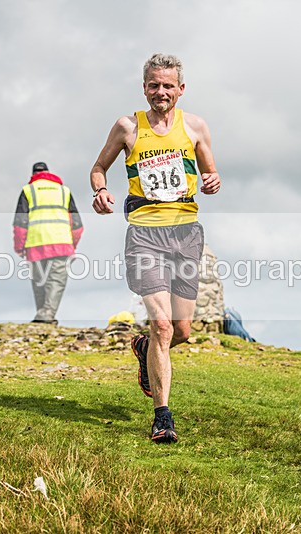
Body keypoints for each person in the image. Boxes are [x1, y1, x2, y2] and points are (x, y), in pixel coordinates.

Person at [90, 53, 221, 443]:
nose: (160, 92)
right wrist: (100, 190)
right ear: (144, 87)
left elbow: (211, 171)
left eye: (168, 86)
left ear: (180, 89)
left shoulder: (195, 126)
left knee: (180, 329)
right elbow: (99, 166)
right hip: (145, 233)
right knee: (162, 324)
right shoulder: (128, 127)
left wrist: (212, 180)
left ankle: (146, 347)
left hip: (185, 235)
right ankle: (162, 418)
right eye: (153, 85)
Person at [13, 162, 83, 324]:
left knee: (39, 283)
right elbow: (77, 225)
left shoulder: (28, 191)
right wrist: (72, 244)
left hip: (35, 243)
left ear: (33, 174)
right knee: (56, 281)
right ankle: (46, 315)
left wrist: (19, 246)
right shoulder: (64, 191)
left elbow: (20, 224)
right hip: (61, 243)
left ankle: (44, 315)